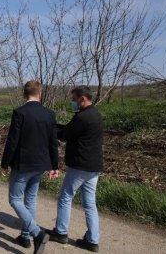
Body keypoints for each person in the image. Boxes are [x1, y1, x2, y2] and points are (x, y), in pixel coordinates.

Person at [1, 80, 59, 254]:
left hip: (23, 164)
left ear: (24, 94)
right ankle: (25, 236)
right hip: (41, 164)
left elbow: (12, 141)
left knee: (15, 200)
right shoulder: (49, 114)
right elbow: (53, 142)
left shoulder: (20, 112)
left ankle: (36, 233)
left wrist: (5, 163)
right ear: (39, 93)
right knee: (31, 199)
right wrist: (54, 166)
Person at [47, 86, 103, 252]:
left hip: (80, 166)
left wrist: (50, 127)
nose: (72, 102)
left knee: (65, 197)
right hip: (94, 167)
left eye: (74, 99)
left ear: (82, 98)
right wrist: (55, 126)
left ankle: (60, 232)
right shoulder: (95, 115)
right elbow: (69, 129)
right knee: (89, 203)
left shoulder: (83, 117)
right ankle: (92, 240)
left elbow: (64, 134)